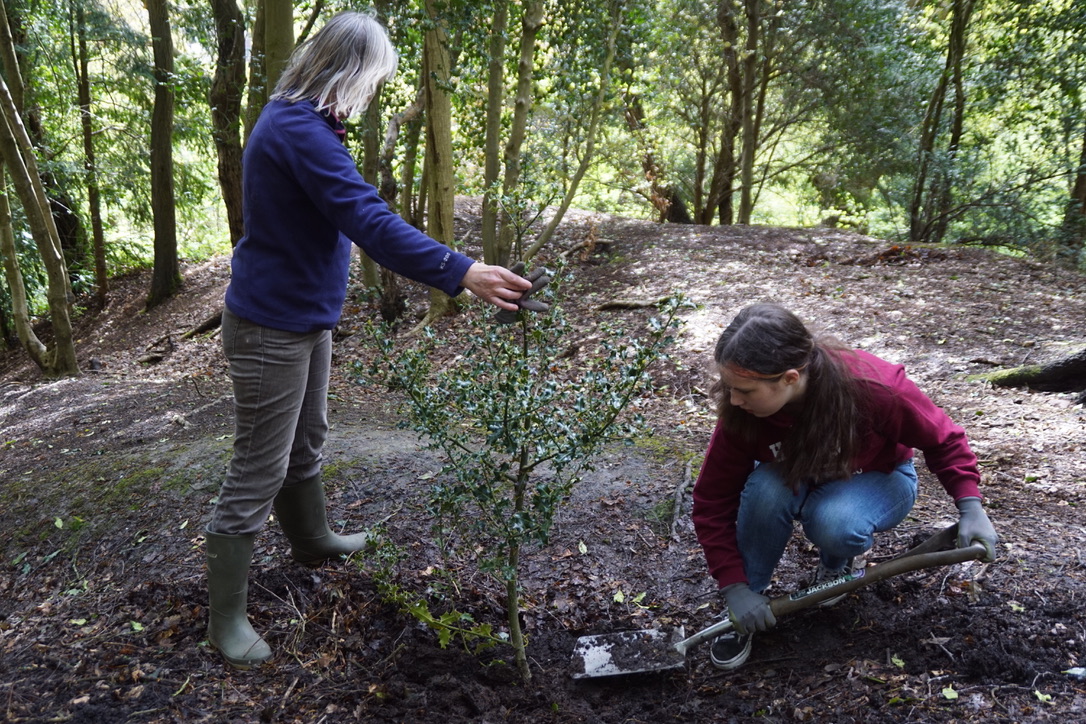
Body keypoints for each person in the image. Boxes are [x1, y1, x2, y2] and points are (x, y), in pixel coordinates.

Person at [205, 11, 537, 669]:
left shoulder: (307, 122)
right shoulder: (300, 131)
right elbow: (368, 220)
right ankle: (227, 620)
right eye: (373, 81)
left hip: (302, 319)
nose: (372, 94)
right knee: (258, 467)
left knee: (307, 439)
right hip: (270, 328)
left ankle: (312, 539)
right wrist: (460, 270)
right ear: (346, 73)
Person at [691, 303, 998, 671]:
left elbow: (943, 439)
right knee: (763, 491)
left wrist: (970, 507)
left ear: (789, 378)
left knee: (834, 521)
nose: (735, 399)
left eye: (745, 390)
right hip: (795, 474)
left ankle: (834, 566)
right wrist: (734, 586)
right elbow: (712, 498)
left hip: (880, 477)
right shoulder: (742, 413)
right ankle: (748, 606)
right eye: (730, 387)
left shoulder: (874, 389)